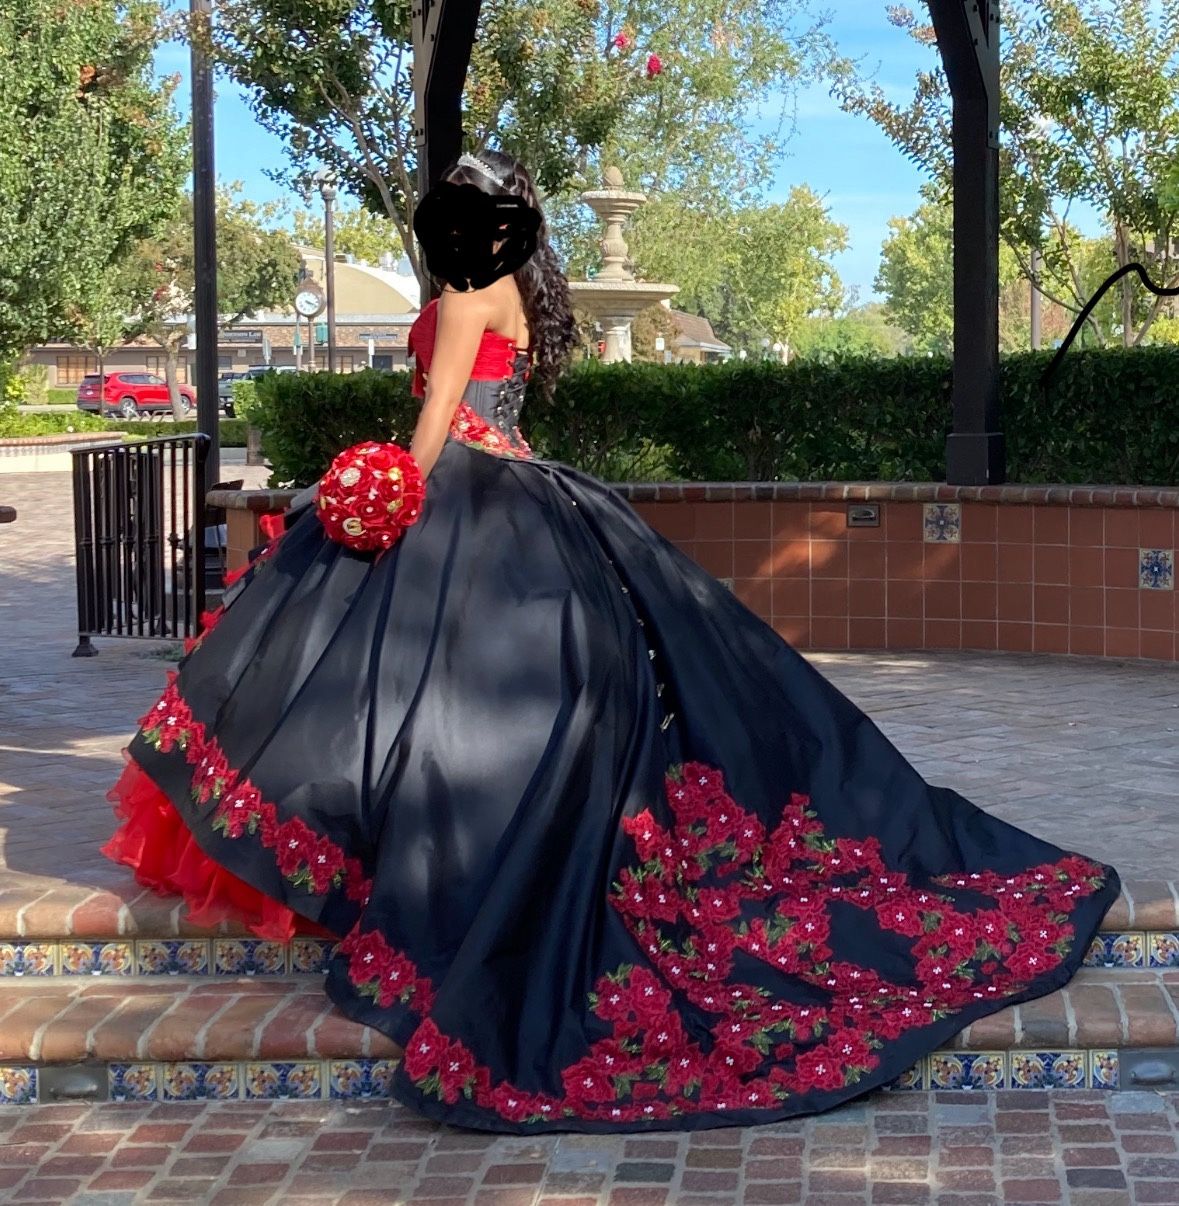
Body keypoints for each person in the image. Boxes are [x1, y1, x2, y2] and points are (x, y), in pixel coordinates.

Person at [104, 149, 1118, 1134]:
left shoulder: (464, 298)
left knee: (368, 681)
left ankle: (409, 868)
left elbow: (436, 426)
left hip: (459, 490)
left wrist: (369, 489)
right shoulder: (516, 292)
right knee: (440, 701)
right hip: (525, 494)